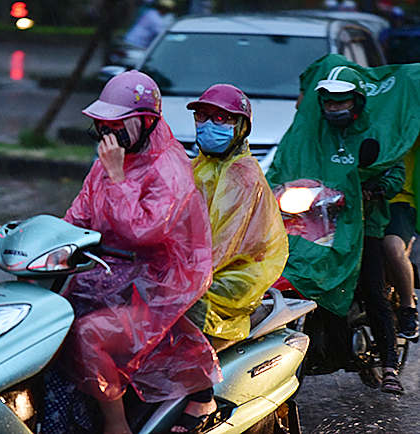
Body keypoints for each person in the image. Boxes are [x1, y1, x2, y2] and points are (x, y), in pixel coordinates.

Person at [59, 70, 222, 434]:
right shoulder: (108, 163)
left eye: (116, 125)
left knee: (87, 335)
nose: (106, 135)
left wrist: (118, 178)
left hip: (157, 292)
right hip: (109, 278)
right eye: (101, 125)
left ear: (146, 122)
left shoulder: (169, 168)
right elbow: (76, 217)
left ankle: (116, 426)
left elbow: (144, 232)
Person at [267, 56, 420, 395]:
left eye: (342, 99)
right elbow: (292, 165)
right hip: (323, 224)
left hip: (365, 223)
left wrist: (376, 188)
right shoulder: (312, 134)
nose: (334, 106)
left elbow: (392, 170)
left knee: (372, 289)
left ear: (357, 100)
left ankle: (389, 364)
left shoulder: (374, 132)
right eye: (329, 100)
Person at [170, 84, 289, 433]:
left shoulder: (242, 174)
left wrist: (177, 273)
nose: (209, 124)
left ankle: (202, 396)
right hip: (196, 266)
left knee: (179, 310)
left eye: (221, 118)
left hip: (233, 276)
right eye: (203, 116)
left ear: (240, 127)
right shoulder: (198, 165)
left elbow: (222, 243)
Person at [383, 144, 420, 340]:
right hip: (350, 200)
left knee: (392, 246)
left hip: (397, 201)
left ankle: (408, 306)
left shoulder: (405, 120)